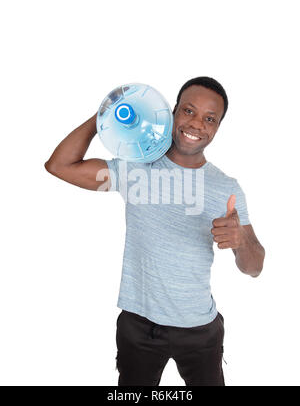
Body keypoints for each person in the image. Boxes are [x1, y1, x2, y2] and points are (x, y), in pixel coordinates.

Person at [45, 76, 265, 386]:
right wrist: (104, 116)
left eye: (210, 118)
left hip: (200, 330)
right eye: (189, 111)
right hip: (139, 327)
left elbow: (254, 268)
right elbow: (60, 166)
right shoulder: (135, 169)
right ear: (173, 112)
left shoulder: (226, 188)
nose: (197, 124)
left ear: (217, 128)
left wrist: (242, 242)